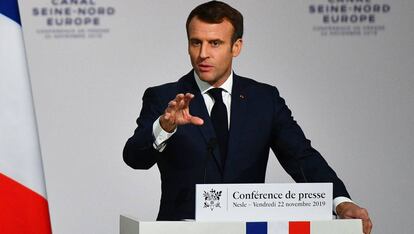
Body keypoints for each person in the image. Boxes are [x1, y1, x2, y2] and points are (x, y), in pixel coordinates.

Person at [123, 1, 372, 233]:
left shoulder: (265, 99)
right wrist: (164, 126)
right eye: (196, 42)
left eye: (215, 43)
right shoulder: (165, 98)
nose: (203, 54)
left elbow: (301, 157)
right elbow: (135, 157)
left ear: (236, 47)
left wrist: (341, 202)